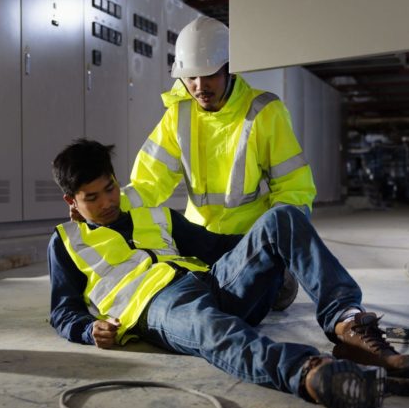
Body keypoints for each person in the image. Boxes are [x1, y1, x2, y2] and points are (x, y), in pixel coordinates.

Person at [47, 139, 409, 408]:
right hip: (159, 307)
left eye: (110, 188)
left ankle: (346, 324)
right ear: (71, 201)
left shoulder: (151, 212)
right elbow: (63, 310)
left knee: (282, 218)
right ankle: (311, 374)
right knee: (215, 330)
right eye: (92, 197)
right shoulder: (66, 242)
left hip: (211, 282)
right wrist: (88, 328)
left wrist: (272, 247)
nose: (108, 201)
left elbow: (216, 245)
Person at [122, 16, 315, 310]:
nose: (200, 86)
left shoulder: (263, 111)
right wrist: (107, 210)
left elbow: (294, 188)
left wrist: (277, 243)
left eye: (209, 74)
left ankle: (280, 275)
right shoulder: (179, 116)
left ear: (229, 68)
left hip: (250, 241)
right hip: (200, 241)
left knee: (255, 300)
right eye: (191, 77)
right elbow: (149, 182)